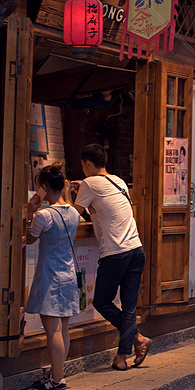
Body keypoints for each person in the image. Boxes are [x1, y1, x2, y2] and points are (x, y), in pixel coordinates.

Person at [69, 144, 151, 371]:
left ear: (87, 163)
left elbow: (72, 217)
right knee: (129, 308)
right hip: (136, 249)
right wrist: (82, 191)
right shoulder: (119, 181)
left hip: (116, 254)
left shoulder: (89, 183)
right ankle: (124, 354)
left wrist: (69, 195)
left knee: (102, 302)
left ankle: (136, 340)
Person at [24, 163, 81, 390]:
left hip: (50, 276)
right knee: (63, 330)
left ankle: (57, 380)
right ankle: (57, 374)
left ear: (44, 188)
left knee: (53, 332)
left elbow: (29, 239)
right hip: (68, 276)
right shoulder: (74, 212)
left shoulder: (43, 215)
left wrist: (29, 210)